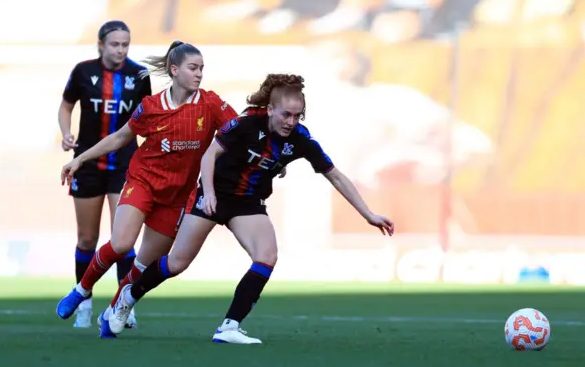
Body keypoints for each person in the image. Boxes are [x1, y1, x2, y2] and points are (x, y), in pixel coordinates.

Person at [105, 73, 395, 343]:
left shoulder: (301, 140)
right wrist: (207, 193)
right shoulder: (245, 125)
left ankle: (229, 326)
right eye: (285, 114)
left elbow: (336, 176)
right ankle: (128, 297)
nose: (290, 122)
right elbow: (209, 155)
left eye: (297, 116)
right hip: (213, 194)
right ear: (270, 109)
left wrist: (368, 214)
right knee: (177, 263)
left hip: (247, 203)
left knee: (267, 256)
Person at [55, 40, 270, 338]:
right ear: (174, 70)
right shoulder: (151, 107)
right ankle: (82, 289)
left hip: (177, 196)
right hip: (142, 183)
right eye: (193, 68)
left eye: (202, 69)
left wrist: (268, 155)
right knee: (120, 244)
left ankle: (116, 309)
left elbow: (241, 131)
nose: (199, 75)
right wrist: (80, 159)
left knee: (143, 265)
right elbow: (120, 138)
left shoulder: (210, 104)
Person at [58, 20, 151, 328]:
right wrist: (65, 132)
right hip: (88, 163)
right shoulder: (83, 72)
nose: (121, 49)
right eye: (115, 44)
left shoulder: (139, 75)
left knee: (122, 238)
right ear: (101, 45)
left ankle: (125, 304)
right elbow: (66, 105)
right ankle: (83, 301)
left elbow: (147, 119)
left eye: (125, 44)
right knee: (87, 238)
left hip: (125, 166)